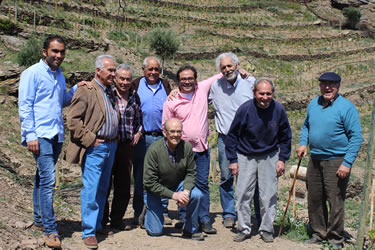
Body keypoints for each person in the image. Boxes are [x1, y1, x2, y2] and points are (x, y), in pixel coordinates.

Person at [18, 35, 79, 248]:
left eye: (62, 52)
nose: (59, 55)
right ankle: (51, 230)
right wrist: (30, 135)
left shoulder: (59, 74)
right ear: (44, 52)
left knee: (41, 177)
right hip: (40, 135)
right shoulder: (31, 74)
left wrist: (74, 91)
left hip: (56, 135)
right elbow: (25, 106)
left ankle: (38, 220)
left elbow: (59, 101)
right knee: (48, 181)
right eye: (54, 51)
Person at [296, 72, 363, 249]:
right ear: (320, 86)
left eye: (331, 84)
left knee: (335, 200)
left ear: (338, 86)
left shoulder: (346, 107)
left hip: (336, 159)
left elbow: (356, 137)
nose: (327, 87)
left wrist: (347, 163)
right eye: (324, 83)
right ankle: (319, 232)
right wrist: (303, 143)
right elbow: (306, 126)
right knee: (315, 198)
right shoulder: (313, 104)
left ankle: (335, 237)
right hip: (315, 158)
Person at [226, 78, 292, 243]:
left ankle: (266, 229)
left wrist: (282, 159)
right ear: (254, 93)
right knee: (242, 193)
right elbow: (232, 135)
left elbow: (285, 137)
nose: (265, 97)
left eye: (268, 93)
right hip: (245, 155)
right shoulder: (245, 109)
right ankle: (244, 228)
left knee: (268, 195)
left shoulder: (278, 110)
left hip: (269, 155)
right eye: (261, 93)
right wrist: (233, 160)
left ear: (272, 94)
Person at [66, 55, 119, 248]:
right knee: (91, 188)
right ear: (98, 71)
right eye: (110, 70)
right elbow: (72, 120)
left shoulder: (110, 91)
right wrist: (90, 139)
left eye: (114, 70)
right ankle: (88, 231)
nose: (114, 74)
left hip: (110, 146)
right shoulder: (86, 89)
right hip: (95, 147)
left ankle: (96, 225)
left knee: (103, 188)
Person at [162, 65, 221, 234]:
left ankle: (204, 219)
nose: (187, 81)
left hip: (201, 149)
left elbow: (220, 74)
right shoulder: (171, 101)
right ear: (178, 81)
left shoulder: (201, 89)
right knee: (183, 185)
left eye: (190, 78)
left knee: (202, 184)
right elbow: (164, 127)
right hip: (181, 151)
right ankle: (185, 217)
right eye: (183, 79)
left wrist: (241, 72)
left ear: (195, 79)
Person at [208, 52, 260, 228]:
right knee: (226, 177)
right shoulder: (215, 86)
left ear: (237, 66)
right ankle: (229, 213)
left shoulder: (250, 83)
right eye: (223, 67)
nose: (227, 69)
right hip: (225, 139)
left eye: (230, 66)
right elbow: (198, 97)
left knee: (250, 177)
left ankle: (248, 214)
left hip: (248, 139)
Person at [143, 118, 204, 240]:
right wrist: (174, 195)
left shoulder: (186, 147)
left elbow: (191, 173)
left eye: (178, 132)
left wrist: (186, 192)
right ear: (165, 133)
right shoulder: (154, 150)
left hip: (177, 184)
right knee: (155, 231)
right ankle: (147, 213)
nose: (176, 135)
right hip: (156, 188)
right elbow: (149, 182)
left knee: (197, 195)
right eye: (172, 131)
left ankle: (190, 229)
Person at [131, 56, 172, 226]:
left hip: (163, 138)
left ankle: (162, 211)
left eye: (157, 69)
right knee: (141, 175)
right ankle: (139, 211)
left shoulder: (166, 86)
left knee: (163, 175)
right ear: (143, 70)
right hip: (143, 137)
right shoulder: (135, 85)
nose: (154, 72)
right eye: (150, 69)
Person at [102, 64, 142, 230]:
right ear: (116, 79)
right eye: (122, 79)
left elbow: (139, 119)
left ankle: (117, 219)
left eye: (128, 79)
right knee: (104, 183)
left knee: (124, 184)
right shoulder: (107, 94)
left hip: (126, 146)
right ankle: (102, 220)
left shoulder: (134, 96)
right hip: (109, 143)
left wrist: (139, 132)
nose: (125, 82)